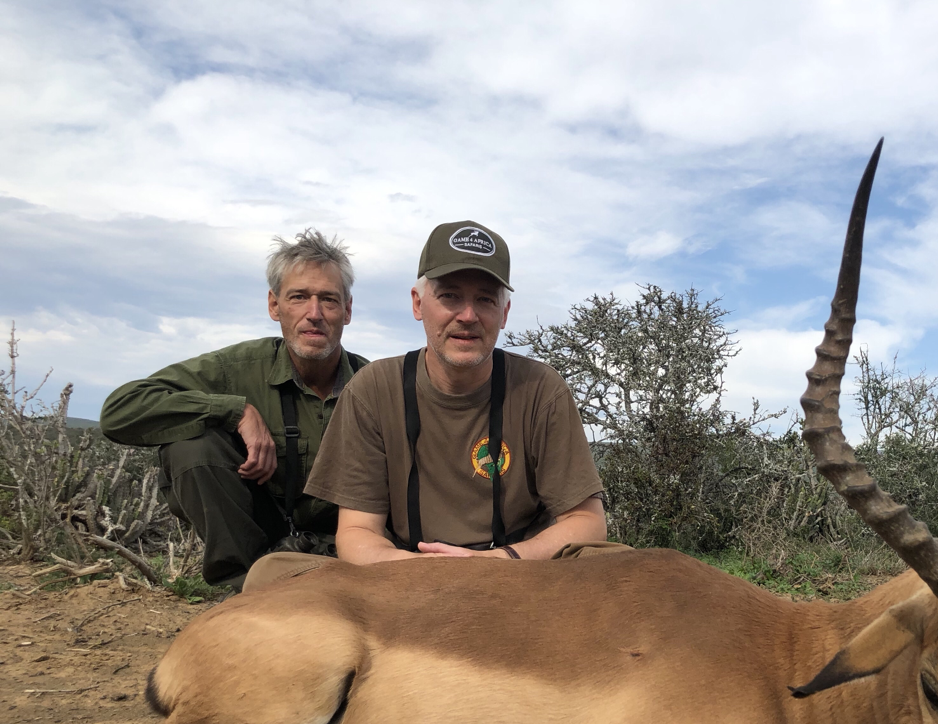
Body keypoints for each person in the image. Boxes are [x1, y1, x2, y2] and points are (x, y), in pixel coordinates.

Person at [299, 219, 605, 571]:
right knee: (272, 569)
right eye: (450, 296)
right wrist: (424, 572)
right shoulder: (372, 389)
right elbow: (356, 531)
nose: (468, 315)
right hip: (405, 573)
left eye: (485, 300)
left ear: (503, 314)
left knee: (622, 562)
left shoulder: (541, 389)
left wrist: (492, 562)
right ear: (418, 304)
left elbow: (587, 522)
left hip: (519, 573)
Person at [100, 230, 369, 590]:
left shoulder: (377, 384)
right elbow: (120, 409)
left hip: (351, 545)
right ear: (274, 305)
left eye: (329, 300)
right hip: (262, 535)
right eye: (299, 298)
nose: (314, 314)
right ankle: (240, 588)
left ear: (347, 310)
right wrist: (234, 411)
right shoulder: (237, 368)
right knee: (192, 446)